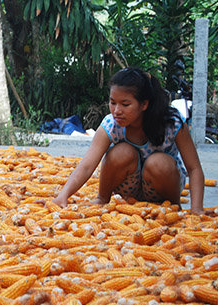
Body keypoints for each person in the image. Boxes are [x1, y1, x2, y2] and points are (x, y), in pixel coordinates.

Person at [52, 67, 205, 214]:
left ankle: (173, 207)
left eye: (125, 104)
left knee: (158, 162)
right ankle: (102, 199)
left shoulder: (172, 123)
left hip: (161, 188)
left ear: (144, 104)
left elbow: (194, 168)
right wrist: (62, 196)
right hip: (127, 189)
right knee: (122, 152)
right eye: (113, 103)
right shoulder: (111, 124)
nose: (117, 111)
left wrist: (196, 209)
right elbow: (86, 166)